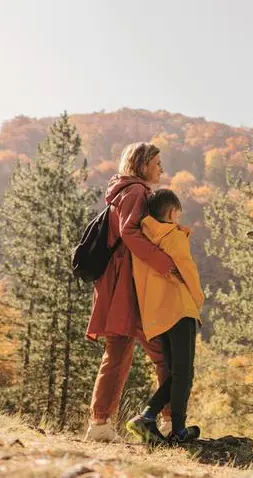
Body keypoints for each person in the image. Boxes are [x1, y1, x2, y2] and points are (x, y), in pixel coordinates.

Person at [84, 142, 176, 441]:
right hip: (129, 285)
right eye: (157, 162)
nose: (162, 168)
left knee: (118, 353)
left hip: (117, 284)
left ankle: (100, 424)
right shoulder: (136, 191)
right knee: (166, 353)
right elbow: (129, 232)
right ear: (143, 163)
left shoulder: (122, 191)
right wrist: (164, 262)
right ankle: (170, 421)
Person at [126, 189, 204, 444]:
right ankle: (178, 430)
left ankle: (149, 417)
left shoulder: (144, 238)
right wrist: (198, 300)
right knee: (185, 374)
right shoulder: (173, 236)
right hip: (181, 309)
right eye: (178, 214)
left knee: (174, 374)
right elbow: (188, 271)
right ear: (172, 213)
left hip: (157, 314)